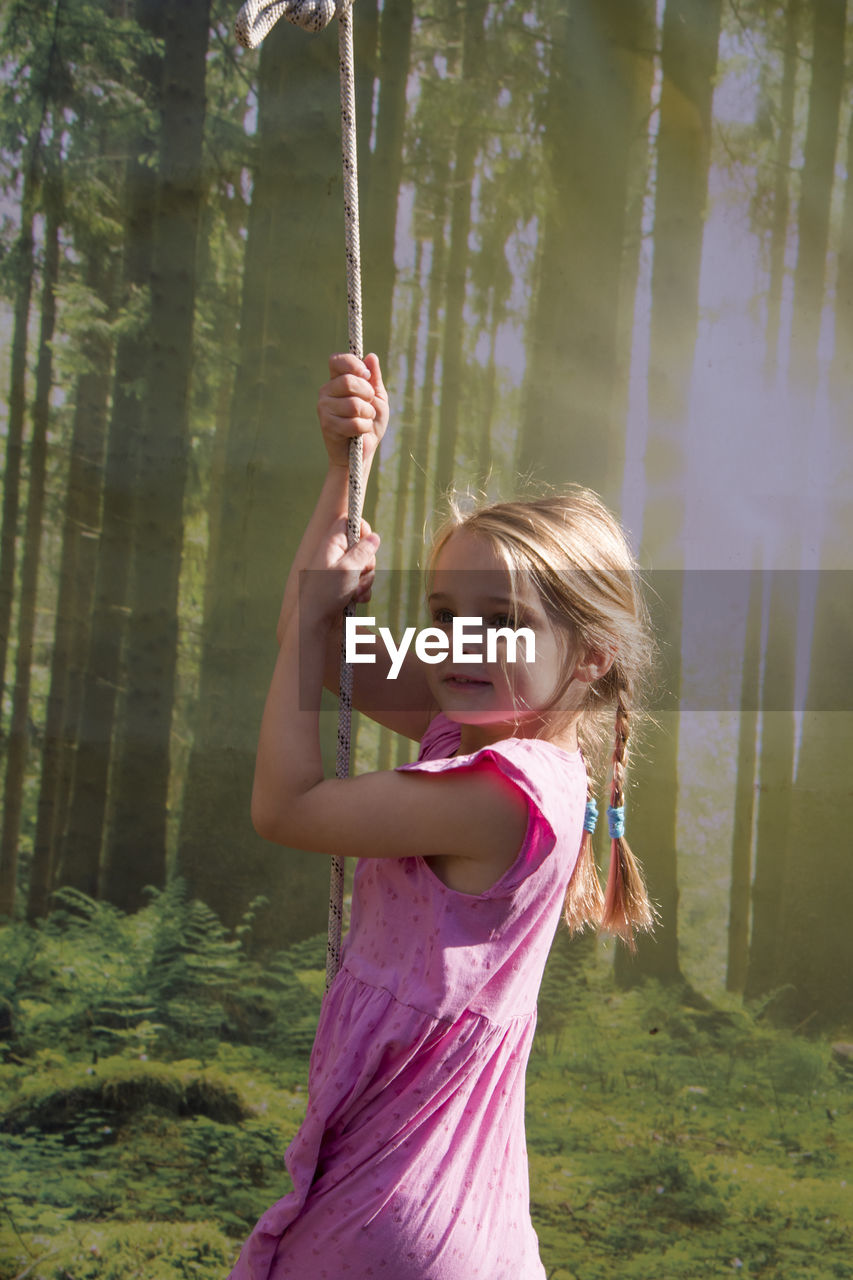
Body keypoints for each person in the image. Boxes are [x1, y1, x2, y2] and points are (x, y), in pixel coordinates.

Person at [228, 352, 657, 1280]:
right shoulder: (481, 728)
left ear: (587, 656)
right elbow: (311, 647)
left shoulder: (507, 792)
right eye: (440, 609)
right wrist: (348, 469)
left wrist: (315, 625)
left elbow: (288, 805)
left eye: (498, 618)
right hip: (460, 1213)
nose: (459, 638)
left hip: (391, 1216)